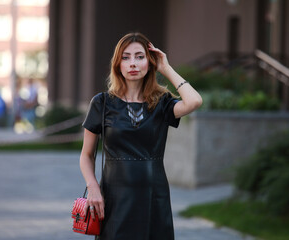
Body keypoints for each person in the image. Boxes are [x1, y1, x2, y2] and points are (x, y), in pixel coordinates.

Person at [79, 32, 202, 240]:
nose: (133, 63)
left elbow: (194, 101)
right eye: (125, 58)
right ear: (118, 64)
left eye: (139, 56)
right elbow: (87, 154)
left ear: (149, 62)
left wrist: (166, 68)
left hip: (154, 196)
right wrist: (93, 188)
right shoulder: (102, 103)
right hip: (114, 198)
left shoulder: (162, 102)